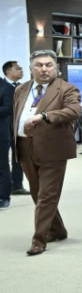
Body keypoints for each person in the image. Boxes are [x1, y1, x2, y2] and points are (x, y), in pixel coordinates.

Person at [13, 51, 81, 255]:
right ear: (31, 68)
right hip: (25, 146)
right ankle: (58, 230)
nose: (44, 69)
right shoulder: (21, 89)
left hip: (53, 148)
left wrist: (44, 116)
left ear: (56, 67)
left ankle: (39, 239)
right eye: (39, 65)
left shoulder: (66, 88)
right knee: (37, 193)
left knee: (47, 195)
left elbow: (74, 111)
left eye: (49, 65)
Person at [4, 60, 29, 196]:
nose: (21, 70)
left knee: (18, 156)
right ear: (8, 71)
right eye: (18, 68)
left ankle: (17, 185)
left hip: (19, 126)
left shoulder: (24, 87)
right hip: (3, 126)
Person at [0, 72, 11, 210]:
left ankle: (4, 197)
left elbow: (9, 108)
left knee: (2, 165)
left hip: (1, 133)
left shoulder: (6, 87)